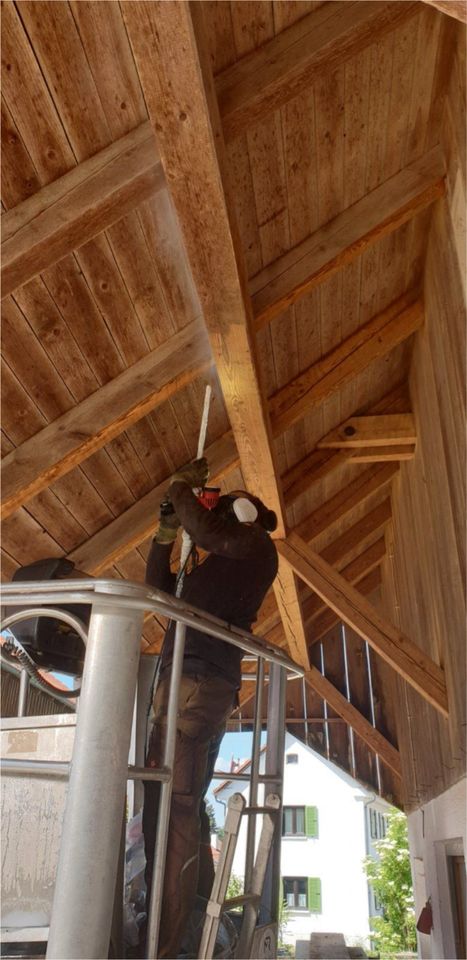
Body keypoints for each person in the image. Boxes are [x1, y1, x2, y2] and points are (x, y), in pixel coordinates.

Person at [143, 457, 279, 959]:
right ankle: (172, 925)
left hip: (198, 688)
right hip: (179, 684)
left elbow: (208, 530)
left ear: (240, 514)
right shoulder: (220, 561)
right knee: (168, 806)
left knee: (176, 809)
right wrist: (164, 532)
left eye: (218, 509)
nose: (210, 515)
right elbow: (161, 588)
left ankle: (164, 946)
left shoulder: (255, 548)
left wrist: (182, 489)